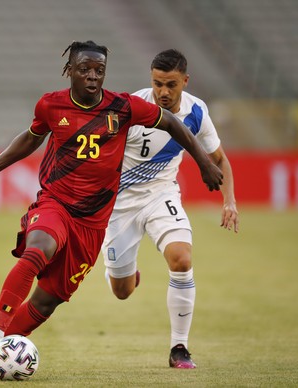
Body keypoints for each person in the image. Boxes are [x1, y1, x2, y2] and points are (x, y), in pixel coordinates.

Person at [0, 40, 223, 375]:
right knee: (39, 248)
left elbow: (172, 123)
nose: (92, 76)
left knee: (47, 300)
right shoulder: (50, 106)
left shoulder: (122, 107)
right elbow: (30, 138)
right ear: (70, 70)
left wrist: (203, 162)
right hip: (56, 203)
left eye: (99, 70)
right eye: (84, 68)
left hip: (94, 224)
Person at [101, 49, 239, 369]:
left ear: (184, 81)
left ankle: (180, 348)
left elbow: (219, 160)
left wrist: (229, 201)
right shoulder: (132, 107)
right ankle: (127, 274)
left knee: (182, 258)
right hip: (120, 205)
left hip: (161, 194)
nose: (163, 92)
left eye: (171, 85)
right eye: (157, 84)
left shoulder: (197, 111)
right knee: (122, 292)